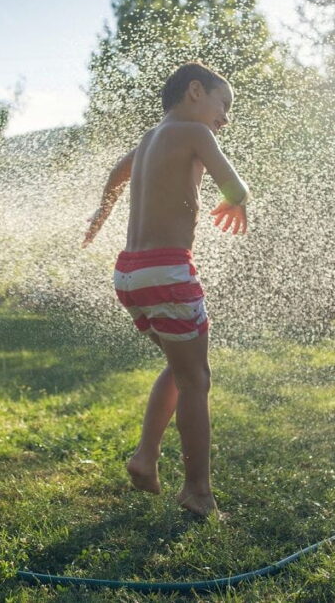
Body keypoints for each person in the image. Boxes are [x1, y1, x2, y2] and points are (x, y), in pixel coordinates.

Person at [82, 62, 250, 517]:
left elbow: (120, 171)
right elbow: (235, 185)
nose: (225, 117)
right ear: (195, 91)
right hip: (167, 271)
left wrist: (102, 212)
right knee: (197, 379)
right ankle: (198, 491)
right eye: (223, 103)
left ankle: (145, 458)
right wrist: (236, 203)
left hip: (130, 275)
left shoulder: (150, 138)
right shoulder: (196, 134)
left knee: (181, 368)